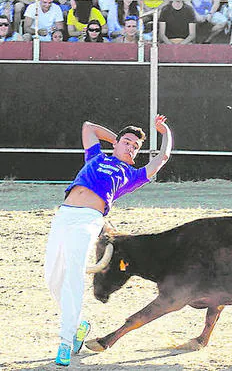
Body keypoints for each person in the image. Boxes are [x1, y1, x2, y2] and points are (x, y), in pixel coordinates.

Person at [45, 114, 172, 367]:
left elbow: (163, 157)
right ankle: (79, 324)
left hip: (88, 220)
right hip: (64, 215)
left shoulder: (131, 174)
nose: (131, 148)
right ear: (116, 144)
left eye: (135, 147)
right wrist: (118, 139)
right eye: (127, 143)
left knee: (72, 276)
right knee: (52, 277)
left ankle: (65, 341)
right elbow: (89, 128)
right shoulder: (96, 157)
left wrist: (165, 131)